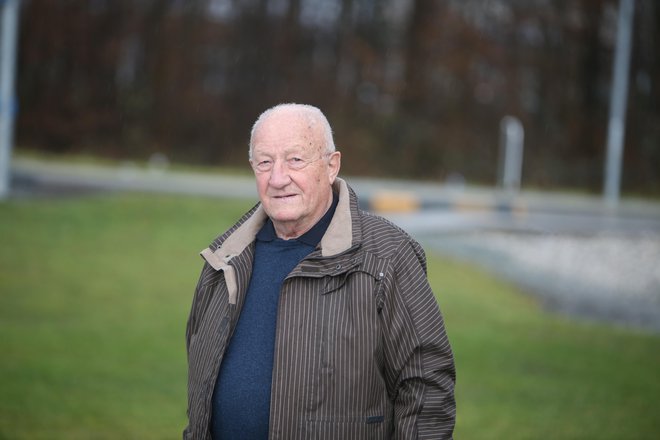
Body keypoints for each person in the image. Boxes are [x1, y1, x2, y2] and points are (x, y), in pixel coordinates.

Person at [183, 103, 456, 439]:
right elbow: (199, 394)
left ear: (331, 166)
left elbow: (428, 388)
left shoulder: (388, 256)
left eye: (295, 159)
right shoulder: (224, 260)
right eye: (265, 162)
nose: (278, 178)